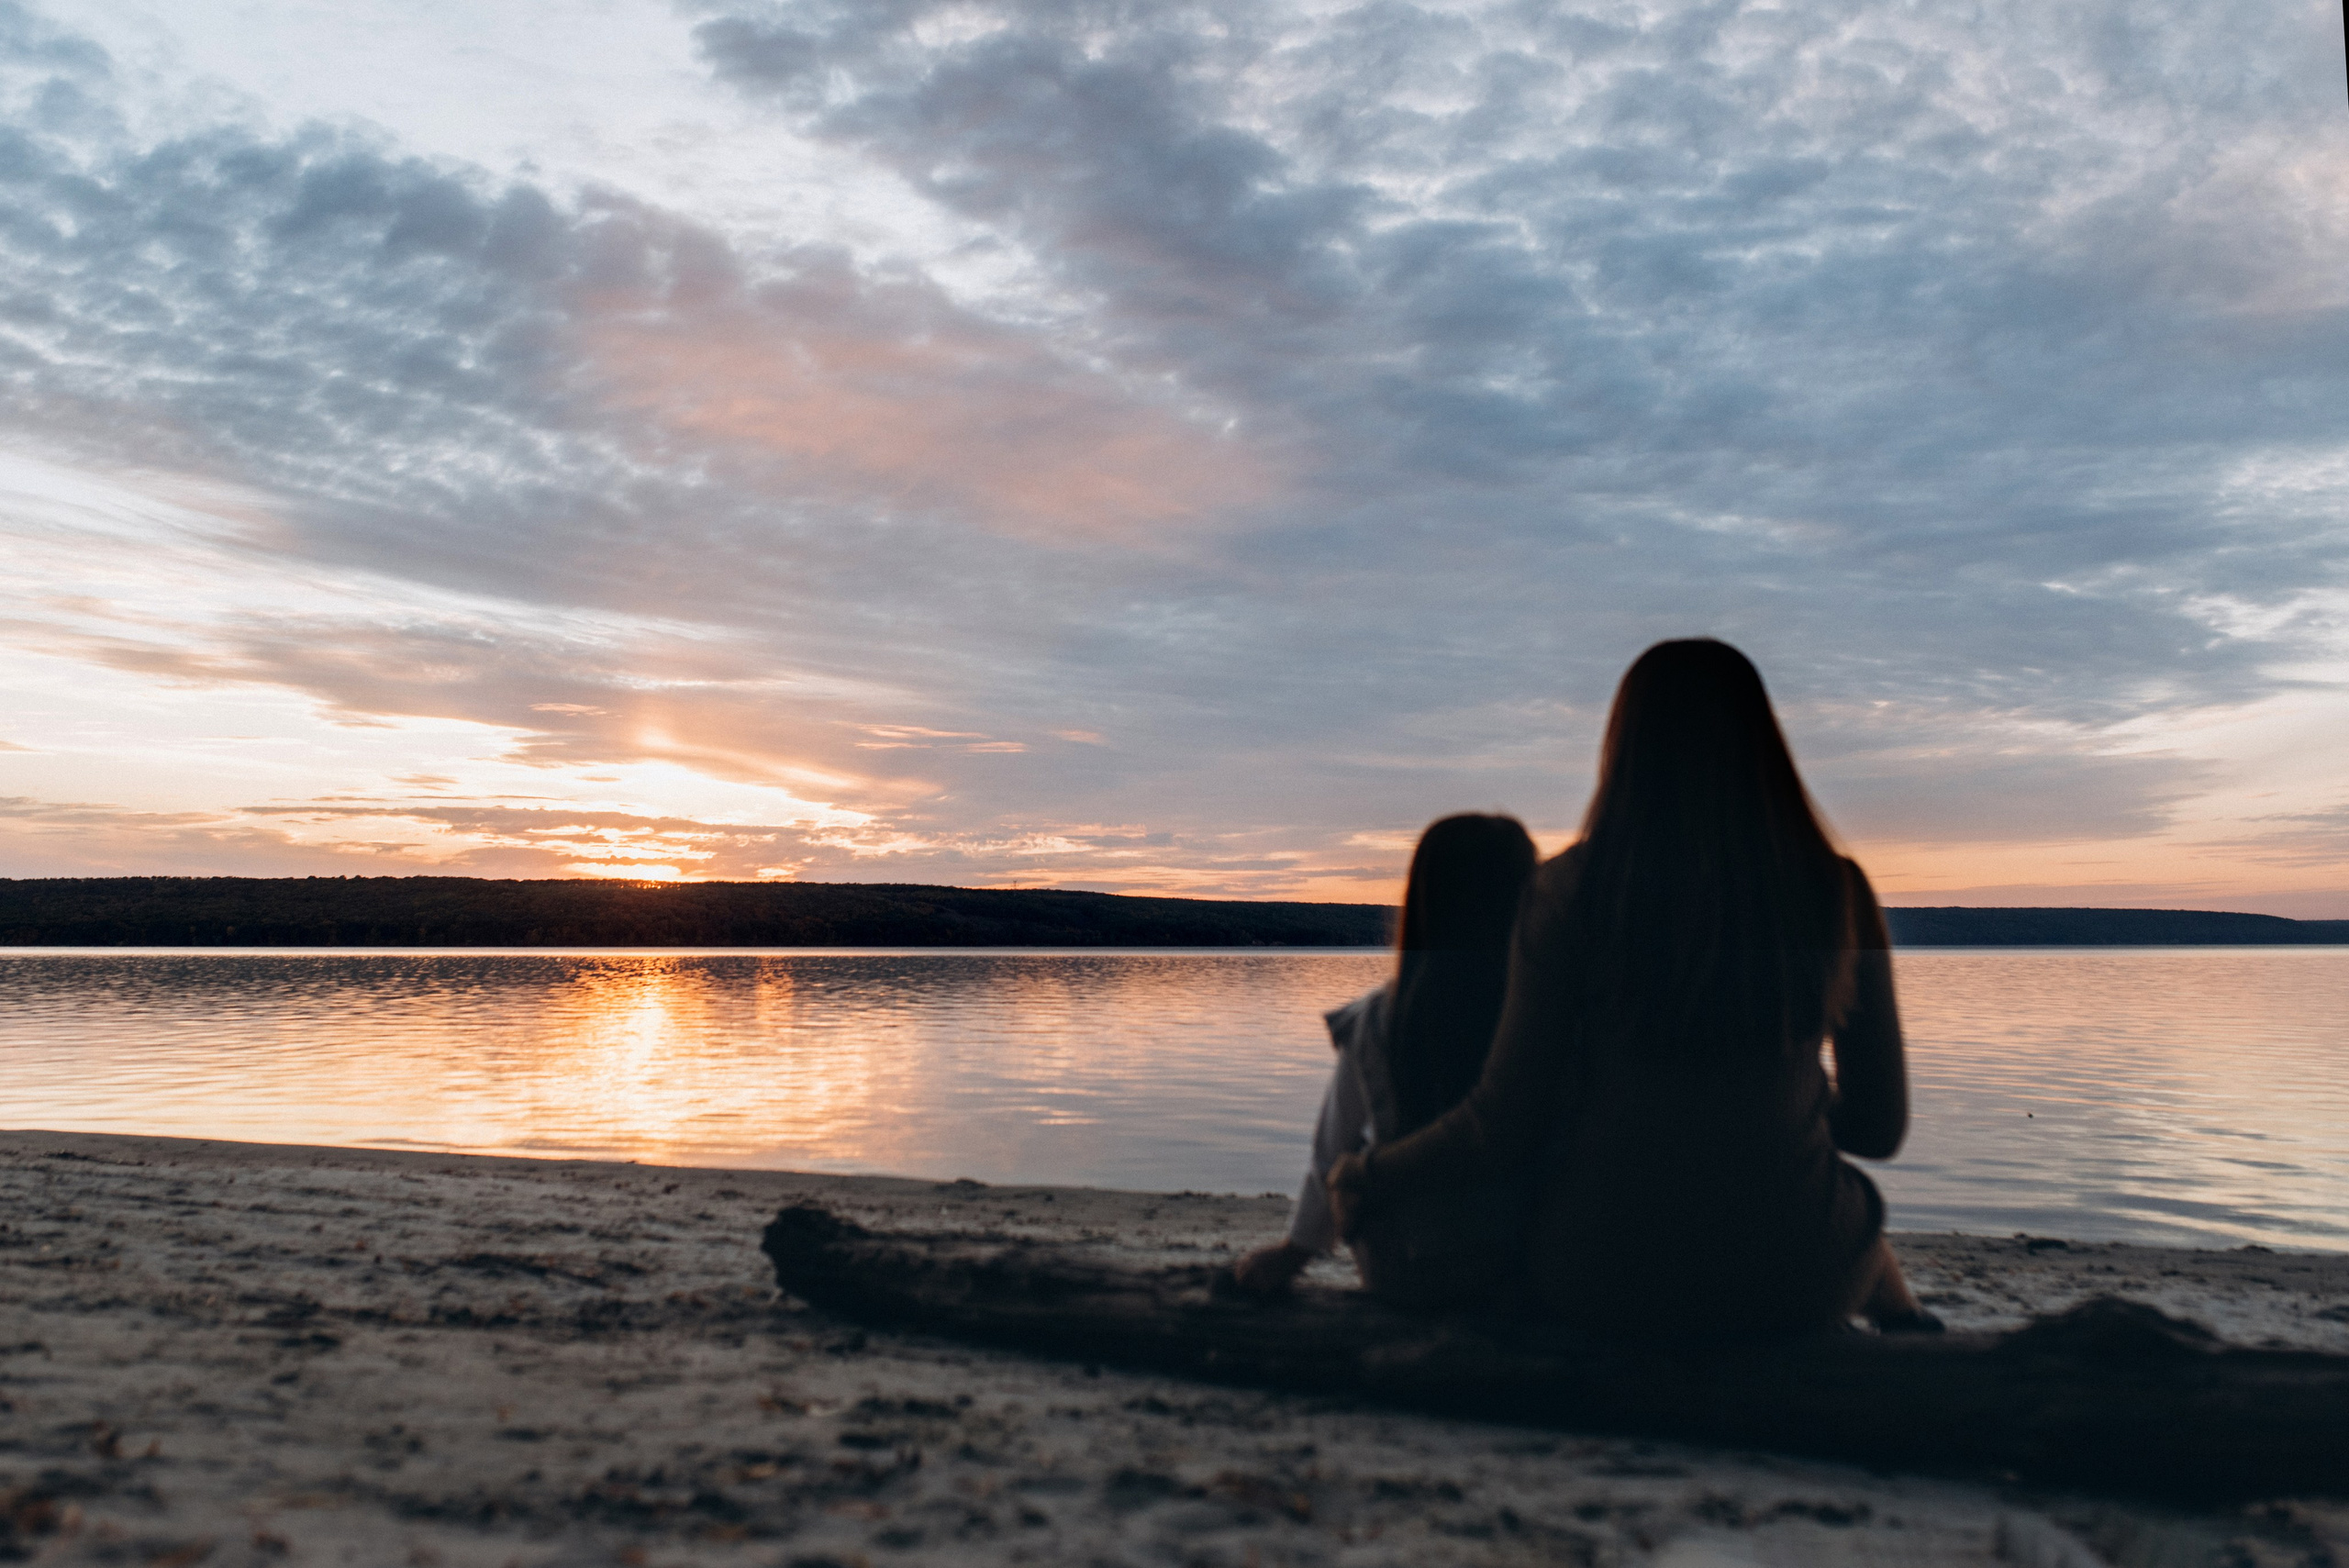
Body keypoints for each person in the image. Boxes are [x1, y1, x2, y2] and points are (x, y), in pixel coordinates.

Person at [1327, 639, 1936, 1338]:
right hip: (1799, 1279)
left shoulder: (1564, 892)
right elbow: (1881, 1129)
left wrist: (1370, 1171)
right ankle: (1906, 1320)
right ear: (1763, 747)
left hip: (1601, 1277)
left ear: (1623, 749)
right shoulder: (1836, 890)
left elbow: (1500, 1124)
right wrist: (1777, 1096)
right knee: (1846, 1205)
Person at [1229, 812, 1538, 1305]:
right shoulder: (1543, 1012)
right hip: (1528, 1259)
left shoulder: (1377, 1020)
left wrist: (1295, 1252)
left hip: (1410, 1268)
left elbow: (1331, 1151)